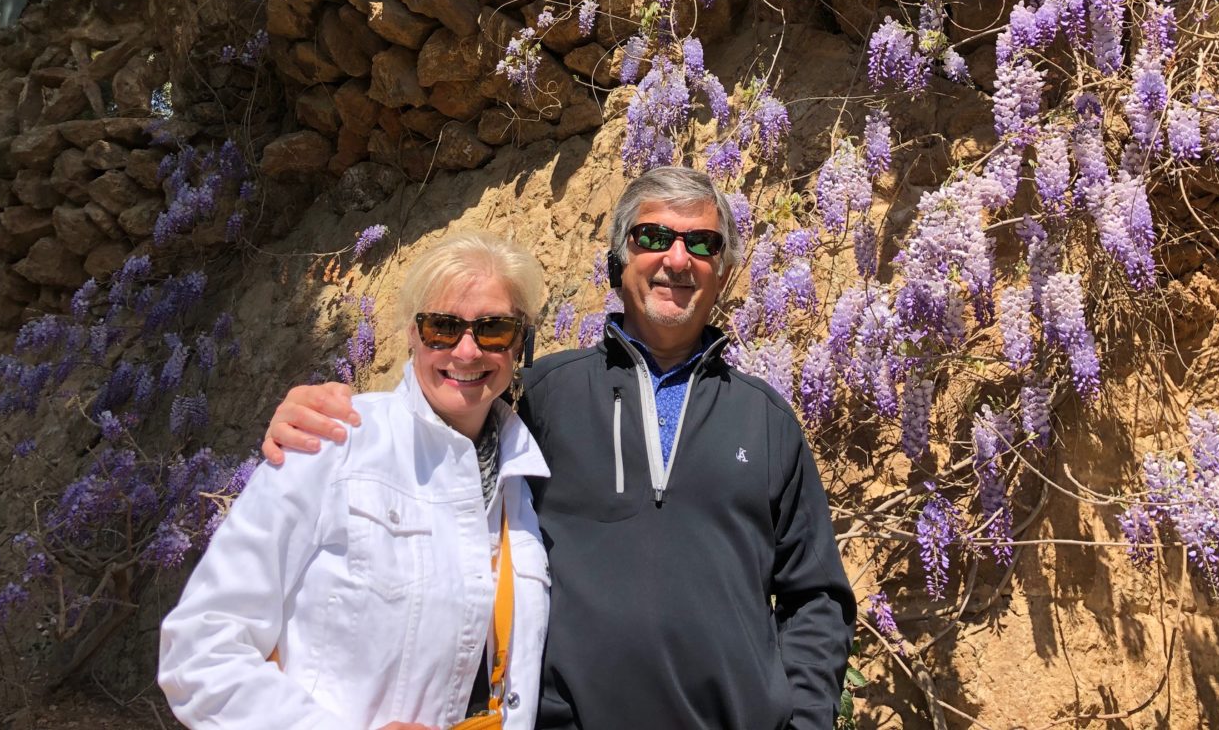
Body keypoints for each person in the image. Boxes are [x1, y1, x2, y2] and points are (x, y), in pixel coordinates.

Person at [265, 167, 857, 730]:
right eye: (653, 236)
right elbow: (436, 448)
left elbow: (816, 597)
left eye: (702, 244)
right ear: (619, 259)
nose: (677, 259)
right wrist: (336, 420)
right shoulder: (540, 395)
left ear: (723, 270)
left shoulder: (767, 419)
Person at [160, 231, 552, 730]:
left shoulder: (522, 480)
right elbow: (199, 647)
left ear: (522, 341)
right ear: (412, 334)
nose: (469, 351)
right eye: (442, 328)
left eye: (494, 329)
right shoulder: (331, 443)